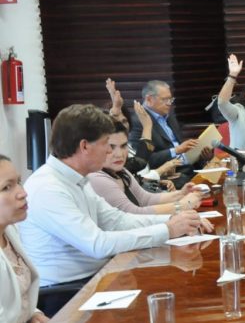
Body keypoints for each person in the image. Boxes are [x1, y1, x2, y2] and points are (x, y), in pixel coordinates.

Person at [18, 104, 212, 316]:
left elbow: (118, 221)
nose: (111, 152)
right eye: (105, 144)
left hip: (98, 279)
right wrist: (168, 229)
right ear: (84, 146)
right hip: (68, 295)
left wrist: (178, 221)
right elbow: (98, 244)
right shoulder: (48, 188)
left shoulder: (77, 179)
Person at [88, 120, 204, 215]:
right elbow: (133, 214)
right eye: (111, 147)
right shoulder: (96, 177)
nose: (119, 154)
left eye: (123, 146)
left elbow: (145, 199)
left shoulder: (121, 171)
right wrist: (181, 206)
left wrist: (181, 194)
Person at [128, 80, 213, 188]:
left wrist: (200, 154)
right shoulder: (137, 122)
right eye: (165, 99)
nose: (169, 103)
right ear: (149, 99)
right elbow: (144, 160)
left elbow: (180, 146)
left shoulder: (169, 116)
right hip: (168, 176)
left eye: (170, 99)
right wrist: (176, 150)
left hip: (188, 168)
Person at [0, 155, 49, 323]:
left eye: (18, 182)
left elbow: (13, 297)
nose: (22, 192)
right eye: (7, 187)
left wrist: (32, 314)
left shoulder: (10, 230)